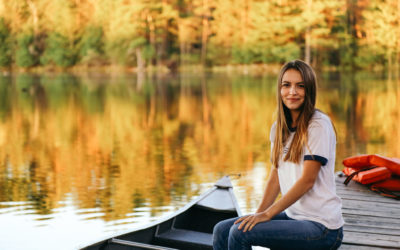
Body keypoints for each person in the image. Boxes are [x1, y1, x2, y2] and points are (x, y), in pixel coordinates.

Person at [212, 59, 344, 250]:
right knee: (222, 230)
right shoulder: (278, 128)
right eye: (286, 85)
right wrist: (257, 215)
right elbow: (276, 177)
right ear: (280, 90)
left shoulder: (318, 125)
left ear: (309, 91)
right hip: (294, 217)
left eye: (300, 86)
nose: (292, 91)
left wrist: (268, 215)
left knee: (239, 235)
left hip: (322, 228)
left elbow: (308, 180)